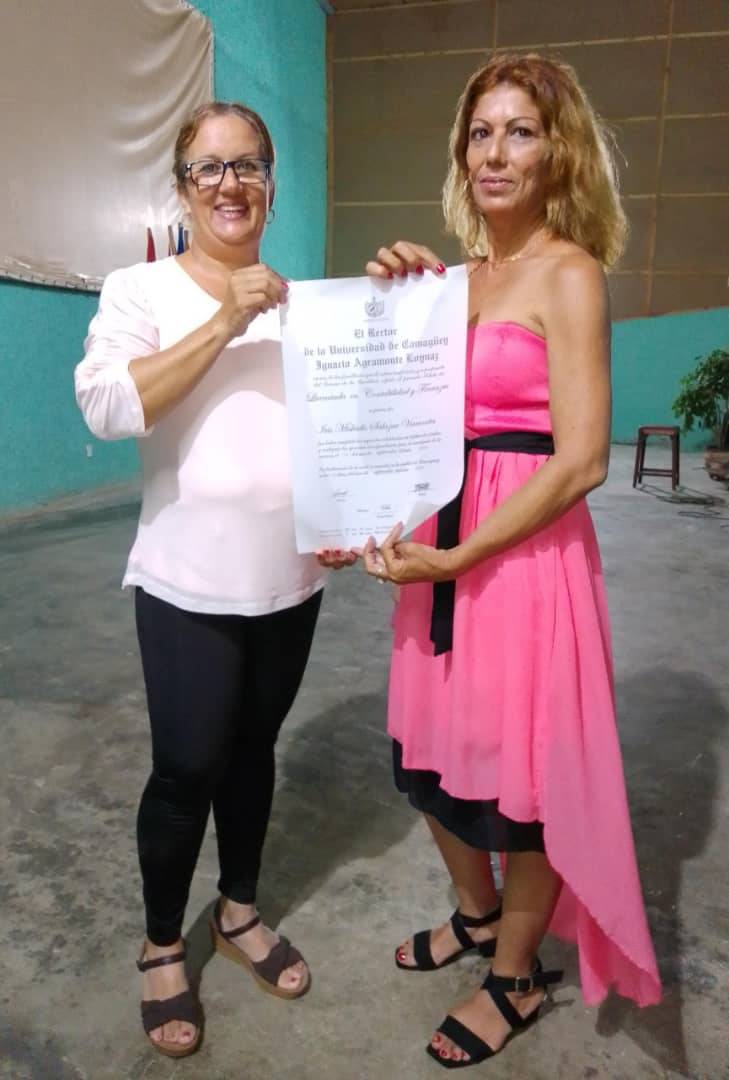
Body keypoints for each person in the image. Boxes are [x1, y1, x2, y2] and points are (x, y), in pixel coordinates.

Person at [321, 52, 661, 1069]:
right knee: (428, 758)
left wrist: (463, 554)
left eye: (521, 131)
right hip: (439, 544)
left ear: (559, 151)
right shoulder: (445, 283)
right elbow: (391, 419)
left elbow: (583, 459)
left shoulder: (570, 273)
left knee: (526, 779)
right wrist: (386, 308)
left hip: (521, 558)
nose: (496, 152)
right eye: (480, 132)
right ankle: (476, 915)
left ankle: (515, 973)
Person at [75, 101, 328, 1058]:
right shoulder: (140, 289)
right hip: (186, 581)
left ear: (271, 183)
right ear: (182, 190)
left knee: (254, 751)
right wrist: (227, 317)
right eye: (209, 168)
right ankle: (160, 943)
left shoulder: (306, 306)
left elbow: (335, 434)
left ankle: (238, 910)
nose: (230, 183)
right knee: (187, 767)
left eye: (248, 164)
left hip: (291, 578)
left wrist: (345, 519)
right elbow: (108, 406)